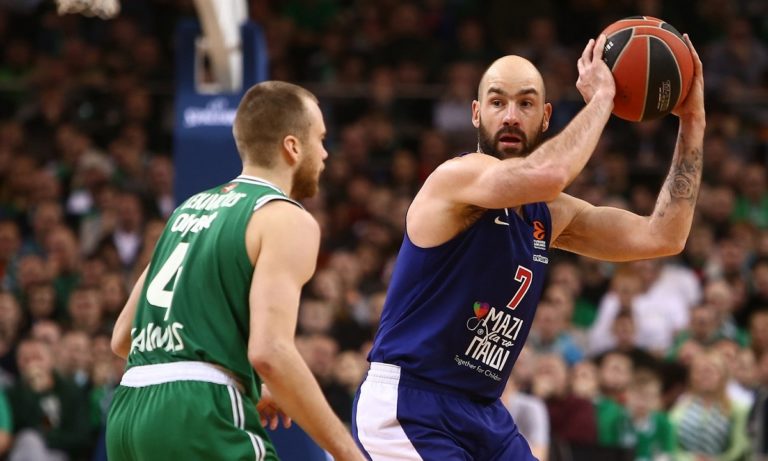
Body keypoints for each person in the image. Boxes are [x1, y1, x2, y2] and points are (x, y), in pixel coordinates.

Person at [353, 32, 705, 460]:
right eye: (497, 102)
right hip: (411, 403)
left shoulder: (550, 213)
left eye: (526, 103)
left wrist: (693, 122)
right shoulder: (455, 179)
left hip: (484, 411)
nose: (511, 116)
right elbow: (549, 173)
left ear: (546, 116)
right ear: (476, 113)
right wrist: (603, 99)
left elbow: (664, 236)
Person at [106, 81, 364, 461]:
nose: (325, 153)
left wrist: (243, 381)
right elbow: (270, 352)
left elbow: (122, 338)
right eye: (321, 139)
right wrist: (349, 453)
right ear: (293, 147)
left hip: (128, 413)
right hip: (199, 413)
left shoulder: (186, 211)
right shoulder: (284, 218)